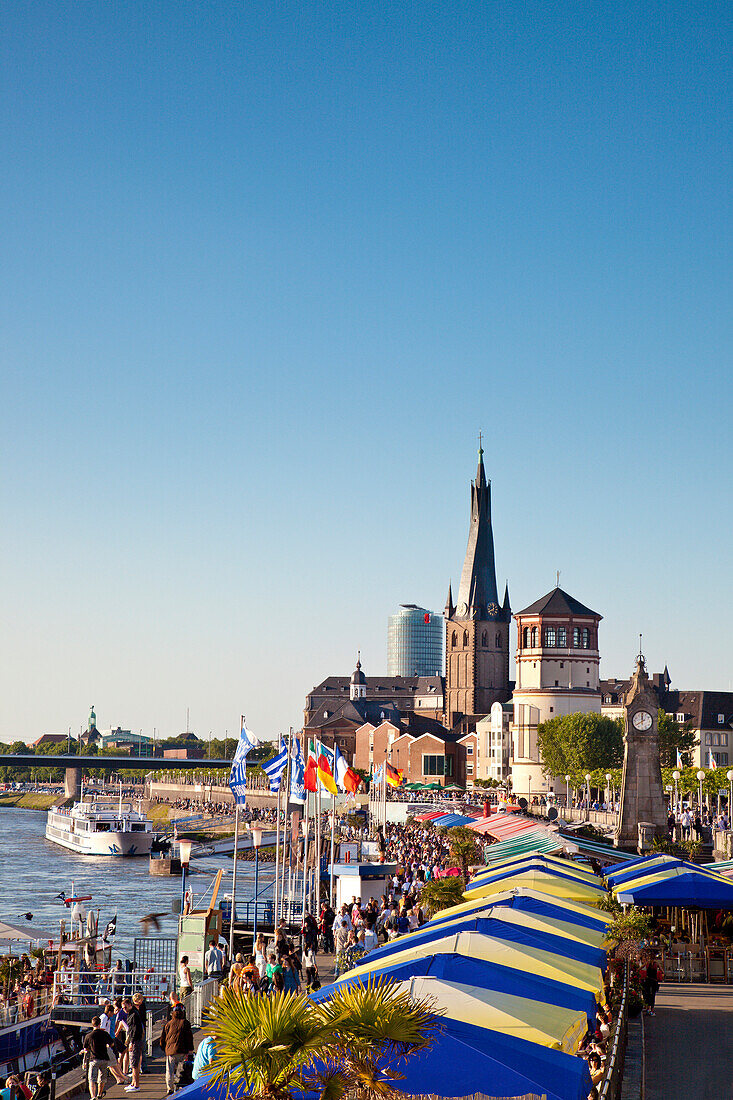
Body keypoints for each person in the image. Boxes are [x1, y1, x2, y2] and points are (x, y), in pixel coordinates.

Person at [84, 1016, 129, 1099]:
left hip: (94, 1059)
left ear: (92, 1024)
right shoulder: (105, 1034)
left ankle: (93, 1096)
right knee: (102, 1078)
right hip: (104, 1058)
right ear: (100, 1024)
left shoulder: (88, 1036)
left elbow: (86, 1049)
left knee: (92, 1079)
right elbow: (112, 1044)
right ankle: (100, 1094)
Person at [160, 1004, 194, 1095]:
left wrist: (164, 1048)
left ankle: (169, 1088)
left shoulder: (168, 1024)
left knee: (169, 1071)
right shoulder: (185, 1023)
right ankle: (180, 1085)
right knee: (182, 1069)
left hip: (170, 1051)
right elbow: (189, 1037)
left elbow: (163, 1038)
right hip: (182, 1050)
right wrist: (190, 1049)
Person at [122, 996, 143, 1092]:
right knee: (134, 1062)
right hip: (136, 1040)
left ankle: (136, 1085)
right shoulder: (133, 1013)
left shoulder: (133, 1015)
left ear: (130, 1005)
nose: (124, 1010)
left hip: (135, 1041)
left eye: (125, 1007)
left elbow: (134, 1030)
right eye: (123, 1008)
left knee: (134, 1064)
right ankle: (133, 1083)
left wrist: (131, 1042)